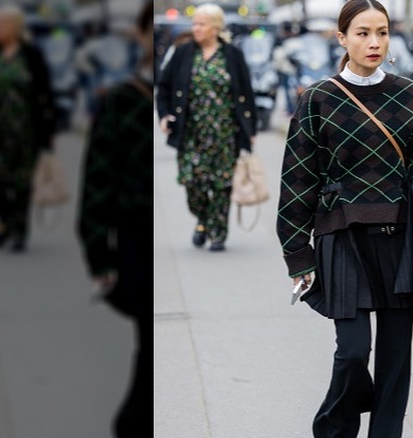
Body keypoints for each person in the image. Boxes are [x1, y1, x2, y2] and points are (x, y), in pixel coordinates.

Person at [276, 1, 413, 436]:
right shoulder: (318, 98)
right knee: (352, 352)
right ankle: (334, 429)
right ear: (342, 38)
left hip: (399, 238)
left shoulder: (408, 94)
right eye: (363, 32)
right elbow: (297, 180)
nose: (374, 42)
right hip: (341, 238)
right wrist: (299, 255)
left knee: (395, 356)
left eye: (382, 32)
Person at [77, 2, 154, 436]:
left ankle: (132, 423)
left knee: (148, 350)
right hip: (135, 239)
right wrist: (99, 259)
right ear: (141, 38)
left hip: (152, 240)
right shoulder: (121, 100)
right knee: (147, 344)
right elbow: (96, 187)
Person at [157, 3, 257, 251]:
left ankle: (217, 232)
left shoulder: (232, 54)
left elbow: (246, 92)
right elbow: (164, 86)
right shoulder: (183, 53)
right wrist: (164, 115)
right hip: (191, 133)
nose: (196, 29)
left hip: (225, 134)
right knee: (193, 184)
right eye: (195, 24)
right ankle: (202, 218)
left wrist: (250, 129)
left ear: (215, 27)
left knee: (222, 184)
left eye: (201, 24)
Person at [0, 5, 55, 252]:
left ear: (15, 27)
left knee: (21, 183)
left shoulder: (31, 55)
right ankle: (4, 220)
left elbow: (45, 92)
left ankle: (19, 230)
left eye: (2, 24)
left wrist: (48, 131)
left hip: (26, 134)